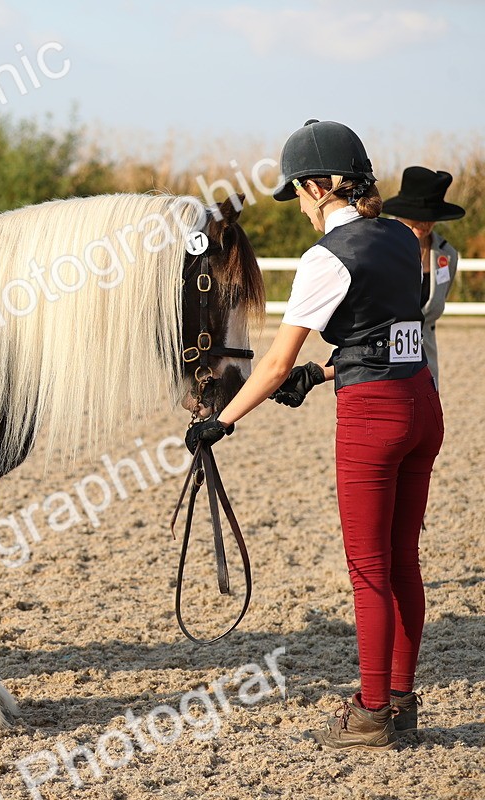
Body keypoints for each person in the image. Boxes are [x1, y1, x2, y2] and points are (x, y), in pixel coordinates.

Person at [185, 120, 444, 751]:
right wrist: (323, 372)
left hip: (374, 419)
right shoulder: (397, 238)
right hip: (422, 405)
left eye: (300, 193)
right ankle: (402, 701)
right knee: (403, 561)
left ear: (321, 186)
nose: (299, 206)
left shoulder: (325, 258)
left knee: (368, 569)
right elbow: (387, 337)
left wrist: (220, 422)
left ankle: (372, 711)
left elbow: (270, 365)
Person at [382, 166, 464, 388]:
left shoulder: (448, 255)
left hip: (426, 363)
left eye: (431, 217)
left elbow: (436, 304)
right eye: (417, 216)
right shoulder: (375, 247)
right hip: (379, 363)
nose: (425, 223)